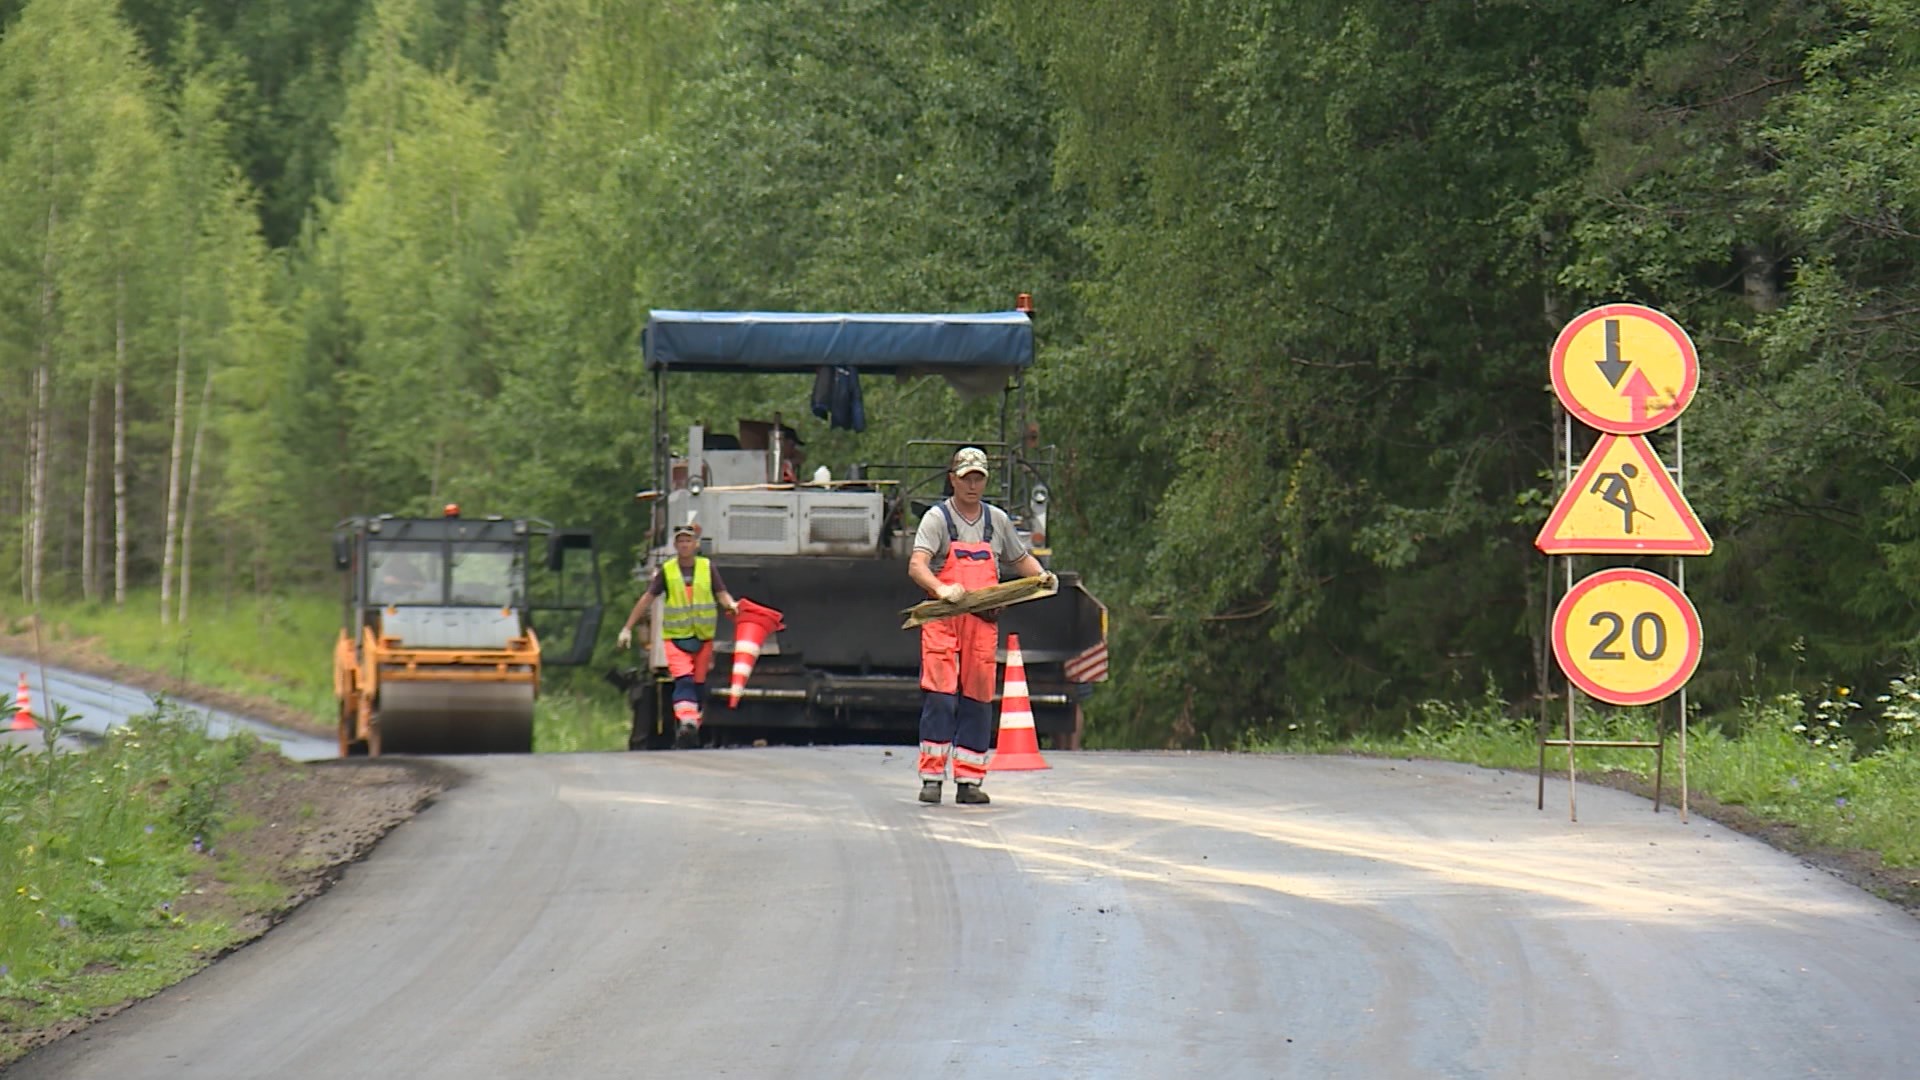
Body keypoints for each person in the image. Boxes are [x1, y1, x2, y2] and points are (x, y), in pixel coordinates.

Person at [906, 446, 1055, 805]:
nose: (973, 485)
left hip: (981, 623)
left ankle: (969, 781)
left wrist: (1043, 577)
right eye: (966, 477)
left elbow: (1020, 560)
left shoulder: (997, 521)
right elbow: (917, 565)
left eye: (979, 478)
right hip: (944, 619)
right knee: (941, 697)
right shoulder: (937, 519)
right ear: (952, 479)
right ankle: (931, 777)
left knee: (977, 698)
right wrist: (942, 589)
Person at [617, 521, 740, 748]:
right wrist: (627, 628)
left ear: (695, 545)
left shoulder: (707, 568)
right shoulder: (668, 571)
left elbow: (721, 594)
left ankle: (692, 724)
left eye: (688, 541)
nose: (684, 545)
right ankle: (687, 723)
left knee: (699, 686)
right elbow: (647, 599)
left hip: (703, 638)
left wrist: (731, 605)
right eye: (680, 541)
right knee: (684, 681)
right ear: (675, 545)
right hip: (676, 638)